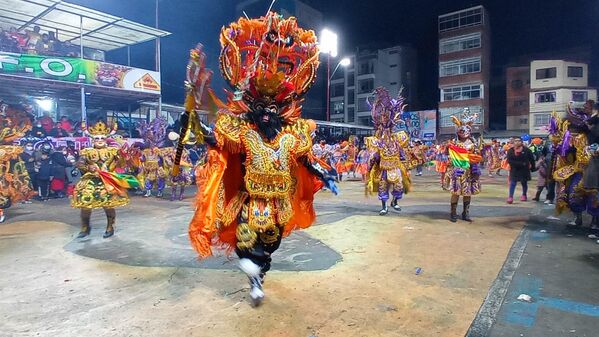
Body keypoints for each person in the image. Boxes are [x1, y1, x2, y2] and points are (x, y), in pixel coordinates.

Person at [182, 15, 337, 307]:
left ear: (282, 109)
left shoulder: (292, 136)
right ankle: (253, 277)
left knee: (270, 246)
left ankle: (259, 272)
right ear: (250, 107)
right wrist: (196, 125)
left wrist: (324, 175)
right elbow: (218, 141)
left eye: (272, 107)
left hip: (279, 203)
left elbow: (305, 160)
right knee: (245, 241)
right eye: (259, 107)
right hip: (249, 201)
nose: (266, 113)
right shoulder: (242, 132)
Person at [72, 121, 139, 238]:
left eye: (102, 137)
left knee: (108, 205)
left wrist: (125, 156)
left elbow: (122, 163)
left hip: (108, 181)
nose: (99, 140)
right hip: (91, 180)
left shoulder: (112, 151)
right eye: (97, 138)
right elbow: (79, 163)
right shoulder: (87, 151)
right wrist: (88, 167)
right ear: (92, 139)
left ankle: (110, 226)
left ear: (106, 139)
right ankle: (85, 227)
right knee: (85, 204)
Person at [365, 87, 411, 215]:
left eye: (387, 125)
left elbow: (403, 155)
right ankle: (384, 206)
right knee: (383, 186)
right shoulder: (376, 141)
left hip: (395, 168)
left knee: (398, 186)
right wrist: (371, 165)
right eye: (382, 125)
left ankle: (395, 202)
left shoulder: (397, 140)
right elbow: (373, 156)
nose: (385, 127)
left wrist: (406, 165)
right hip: (383, 169)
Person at [443, 109, 482, 222]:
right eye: (462, 130)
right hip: (457, 170)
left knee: (467, 192)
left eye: (466, 130)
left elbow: (477, 155)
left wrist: (475, 158)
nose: (464, 133)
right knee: (456, 192)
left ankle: (466, 212)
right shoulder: (454, 143)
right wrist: (447, 147)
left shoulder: (473, 143)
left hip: (469, 171)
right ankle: (453, 213)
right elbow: (446, 153)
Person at [137, 118, 168, 198]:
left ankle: (160, 191)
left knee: (160, 179)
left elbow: (164, 158)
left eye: (154, 143)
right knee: (148, 180)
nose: (152, 144)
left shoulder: (160, 151)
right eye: (150, 142)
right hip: (149, 168)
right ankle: (148, 191)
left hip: (158, 167)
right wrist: (141, 160)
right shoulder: (145, 151)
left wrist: (160, 154)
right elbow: (143, 159)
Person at [506, 137, 536, 203]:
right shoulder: (510, 151)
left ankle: (524, 195)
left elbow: (532, 160)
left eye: (519, 141)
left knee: (524, 183)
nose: (517, 142)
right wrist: (521, 164)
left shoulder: (527, 150)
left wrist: (533, 168)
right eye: (515, 141)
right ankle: (510, 197)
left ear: (522, 142)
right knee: (513, 183)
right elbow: (509, 160)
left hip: (524, 170)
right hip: (514, 169)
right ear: (513, 143)